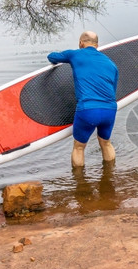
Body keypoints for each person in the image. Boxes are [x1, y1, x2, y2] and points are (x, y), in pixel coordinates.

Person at [48, 31, 118, 168]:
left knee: (79, 147)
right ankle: (110, 175)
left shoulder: (75, 54)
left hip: (88, 110)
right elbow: (113, 90)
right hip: (109, 109)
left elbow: (51, 57)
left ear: (81, 43)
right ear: (97, 45)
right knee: (106, 143)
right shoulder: (111, 64)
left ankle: (80, 182)